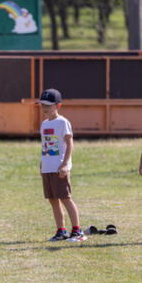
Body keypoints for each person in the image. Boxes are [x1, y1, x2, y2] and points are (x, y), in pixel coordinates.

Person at [37, 88, 86, 242]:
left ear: (58, 106)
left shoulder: (63, 122)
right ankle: (61, 231)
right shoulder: (44, 124)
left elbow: (69, 144)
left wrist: (65, 164)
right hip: (47, 167)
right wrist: (41, 164)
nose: (44, 108)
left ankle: (77, 230)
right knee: (52, 200)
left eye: (48, 105)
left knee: (65, 198)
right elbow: (45, 146)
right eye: (42, 105)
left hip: (59, 167)